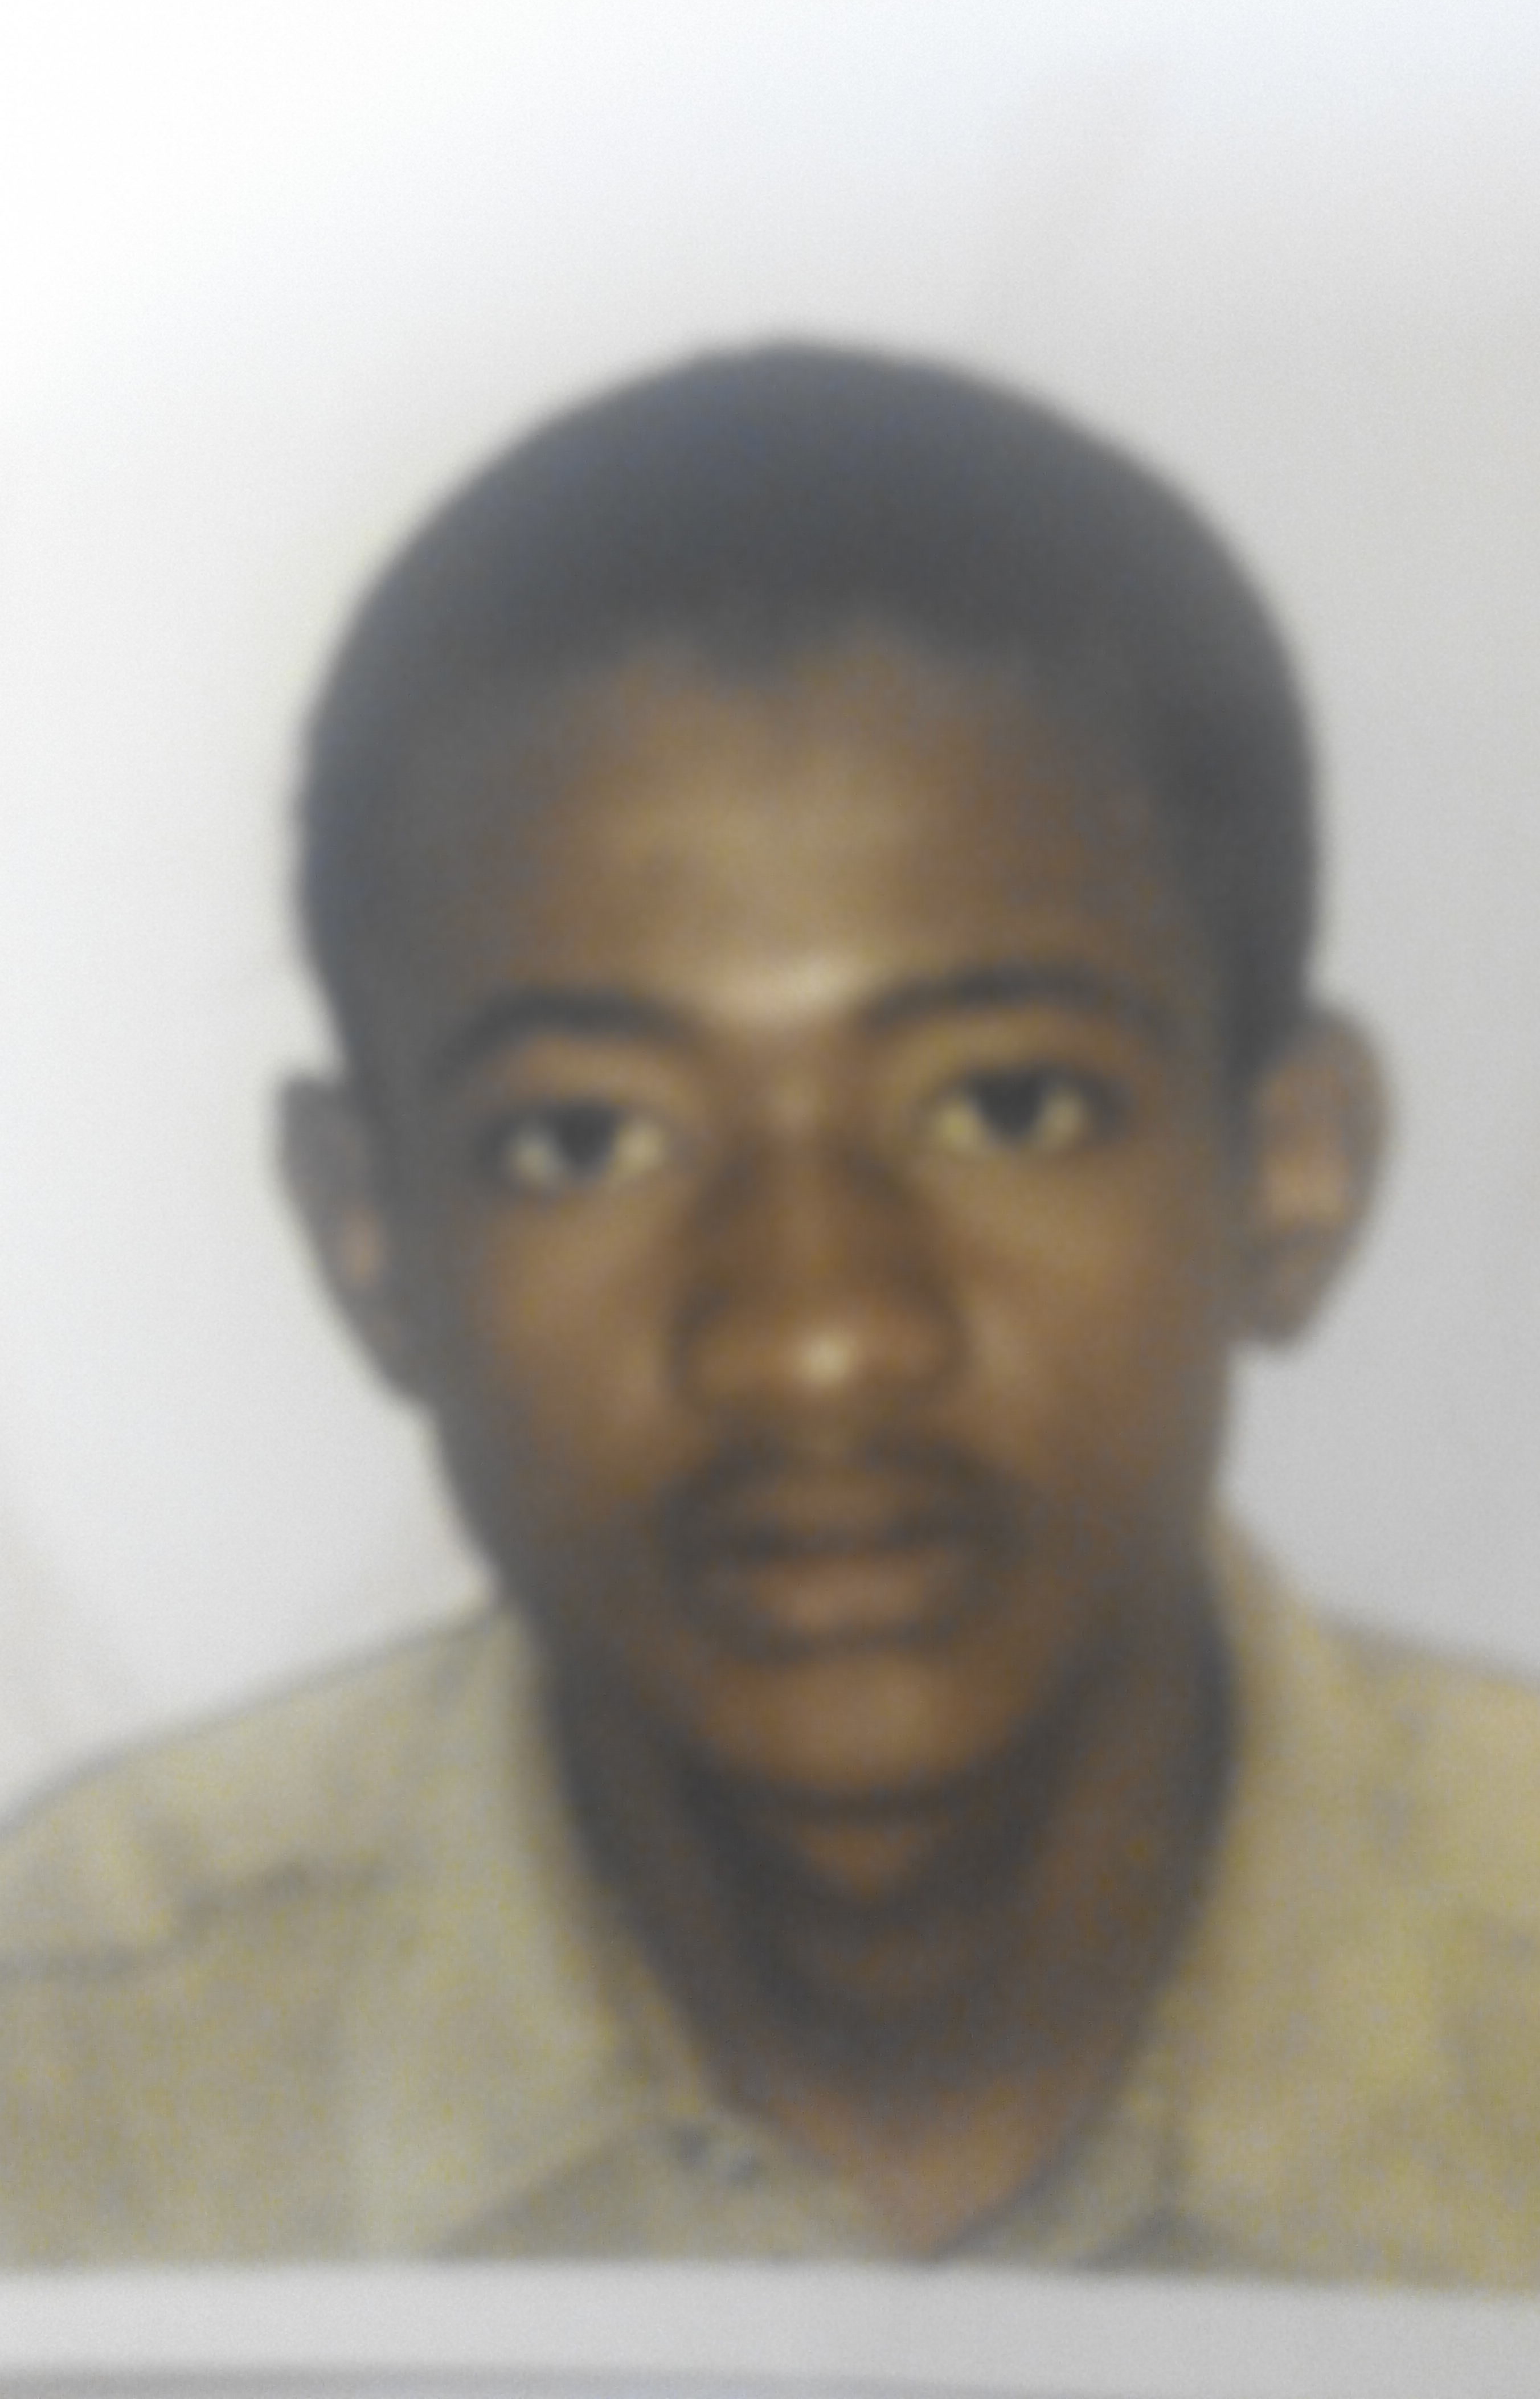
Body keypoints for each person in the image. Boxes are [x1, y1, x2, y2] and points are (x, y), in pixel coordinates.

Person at [0, 346, 1536, 2277]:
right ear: (370, 1241)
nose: (815, 1340)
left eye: (1007, 1106)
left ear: (1290, 1175)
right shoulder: (72, 2105)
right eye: (583, 1138)